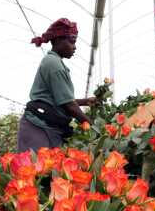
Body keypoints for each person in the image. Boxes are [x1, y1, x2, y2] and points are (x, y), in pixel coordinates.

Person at [17, 18, 97, 152]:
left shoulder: (54, 62)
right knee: (35, 169)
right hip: (38, 128)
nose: (75, 47)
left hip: (46, 126)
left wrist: (86, 101)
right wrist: (93, 128)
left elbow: (59, 100)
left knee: (47, 169)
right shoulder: (54, 64)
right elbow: (69, 106)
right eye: (72, 42)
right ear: (59, 40)